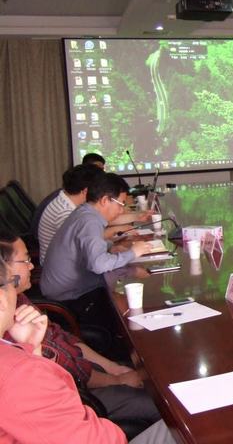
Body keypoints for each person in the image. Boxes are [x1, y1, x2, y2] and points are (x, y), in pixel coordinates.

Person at [0, 256, 176, 444]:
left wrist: (34, 351)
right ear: (2, 299)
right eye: (13, 282)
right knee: (178, 418)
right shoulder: (18, 373)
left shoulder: (19, 361)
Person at [40, 173, 152, 332]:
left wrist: (110, 248)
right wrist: (133, 252)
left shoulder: (84, 212)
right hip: (70, 298)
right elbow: (98, 265)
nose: (121, 211)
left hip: (69, 288)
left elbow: (85, 247)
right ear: (105, 200)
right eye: (120, 204)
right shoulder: (90, 221)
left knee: (123, 290)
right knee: (130, 313)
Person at [38, 164, 104, 264]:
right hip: (60, 266)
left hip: (68, 258)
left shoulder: (67, 199)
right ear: (86, 191)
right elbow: (87, 244)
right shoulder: (64, 212)